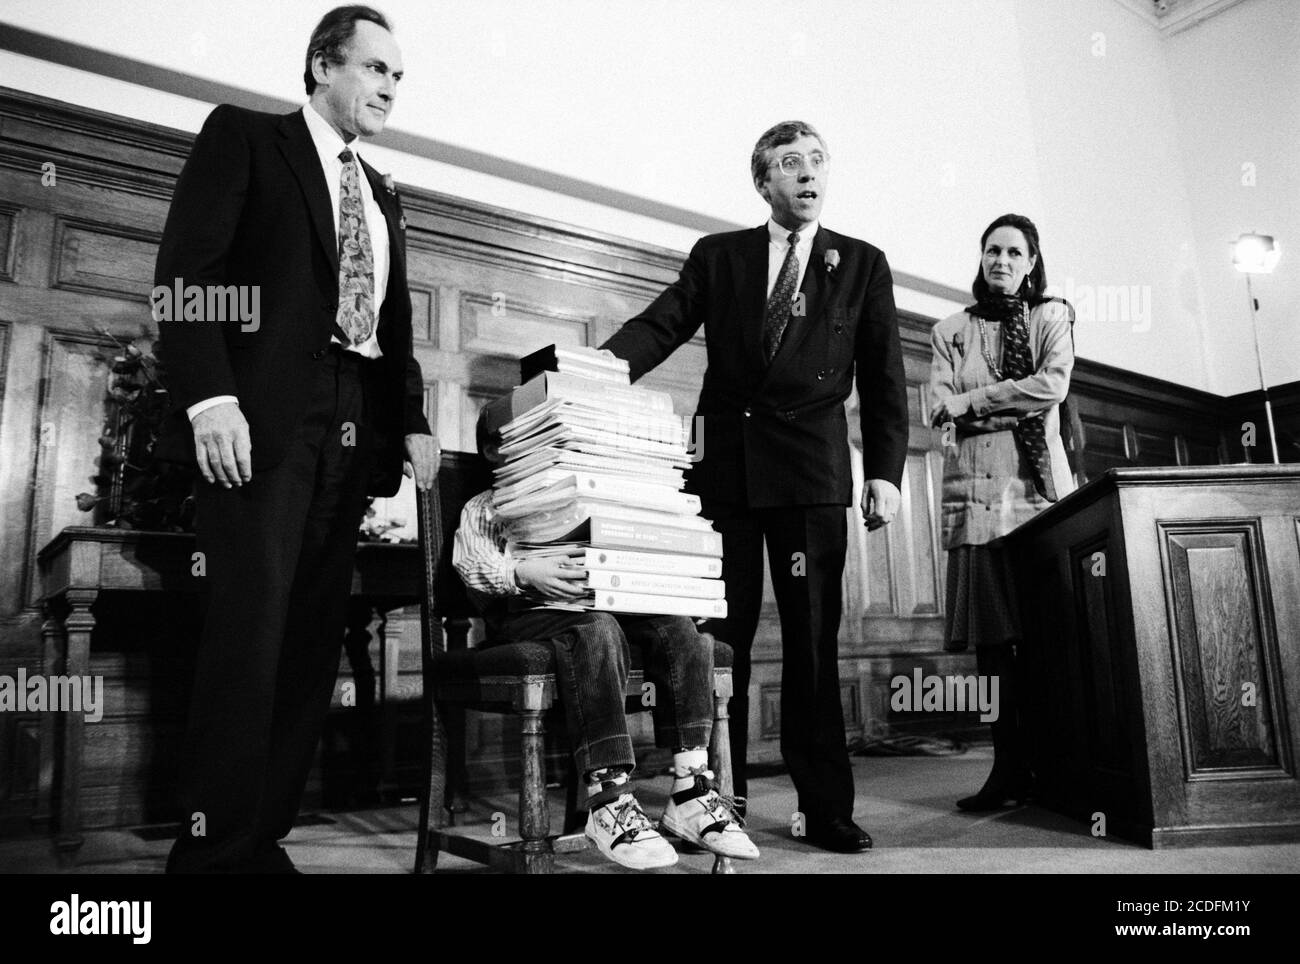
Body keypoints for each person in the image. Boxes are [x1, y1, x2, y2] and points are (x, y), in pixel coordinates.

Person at [154, 5, 439, 873]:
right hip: (261, 417)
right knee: (252, 628)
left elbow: (391, 330)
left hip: (354, 424)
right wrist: (210, 400)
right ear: (323, 66)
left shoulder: (385, 193)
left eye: (399, 75)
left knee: (311, 638)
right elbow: (185, 277)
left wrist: (413, 422)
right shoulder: (245, 138)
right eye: (376, 68)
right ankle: (211, 850)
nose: (391, 87)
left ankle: (263, 835)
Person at [600, 121, 909, 853]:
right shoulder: (722, 255)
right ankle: (716, 796)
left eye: (818, 160)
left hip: (810, 475)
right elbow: (660, 326)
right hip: (728, 471)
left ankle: (826, 807)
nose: (808, 173)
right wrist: (593, 373)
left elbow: (886, 376)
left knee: (810, 646)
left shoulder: (862, 263)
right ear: (762, 182)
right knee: (720, 646)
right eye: (789, 162)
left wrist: (888, 473)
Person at [451, 487, 760, 870]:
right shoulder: (486, 504)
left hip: (613, 608)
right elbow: (469, 563)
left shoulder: (597, 486)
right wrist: (521, 571)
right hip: (528, 612)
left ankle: (691, 786)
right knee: (598, 629)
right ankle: (607, 797)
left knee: (682, 631)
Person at [928, 213, 1076, 811]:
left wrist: (972, 403)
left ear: (1032, 261)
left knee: (1047, 636)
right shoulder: (949, 329)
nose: (1002, 261)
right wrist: (976, 407)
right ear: (981, 257)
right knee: (993, 647)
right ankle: (1007, 770)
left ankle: (1058, 766)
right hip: (976, 500)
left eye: (1015, 252)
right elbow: (936, 411)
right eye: (993, 250)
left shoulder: (1052, 316)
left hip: (1037, 495)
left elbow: (1052, 386)